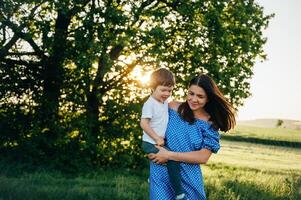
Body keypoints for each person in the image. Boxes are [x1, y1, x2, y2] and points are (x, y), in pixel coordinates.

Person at [148, 74, 236, 200]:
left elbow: (203, 156)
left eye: (200, 96)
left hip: (188, 177)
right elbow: (153, 131)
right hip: (162, 172)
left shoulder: (209, 124)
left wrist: (168, 155)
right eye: (191, 93)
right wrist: (153, 152)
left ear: (208, 99)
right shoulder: (172, 108)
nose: (194, 99)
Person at [140, 68, 188, 200]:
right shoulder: (150, 104)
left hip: (158, 141)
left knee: (170, 158)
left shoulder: (164, 102)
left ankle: (154, 178)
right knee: (173, 159)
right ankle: (179, 194)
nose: (167, 93)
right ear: (153, 87)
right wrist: (157, 138)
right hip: (150, 142)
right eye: (163, 90)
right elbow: (143, 124)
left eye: (170, 90)